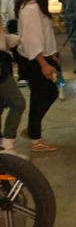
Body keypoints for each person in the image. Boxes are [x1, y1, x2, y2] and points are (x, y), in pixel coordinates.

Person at [15, 0, 59, 152]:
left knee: (48, 94)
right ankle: (36, 138)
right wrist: (43, 64)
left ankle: (33, 128)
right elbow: (33, 40)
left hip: (42, 57)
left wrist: (52, 57)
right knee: (40, 97)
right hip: (36, 60)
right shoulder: (31, 8)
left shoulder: (33, 5)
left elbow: (44, 34)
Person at [0, 19, 26, 158]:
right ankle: (7, 145)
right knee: (18, 103)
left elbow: (3, 39)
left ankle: (5, 146)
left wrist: (18, 39)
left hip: (4, 63)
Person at [1, 0, 27, 87]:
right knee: (17, 50)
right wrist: (5, 27)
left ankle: (26, 73)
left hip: (25, 23)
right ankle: (22, 75)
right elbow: (4, 12)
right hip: (13, 24)